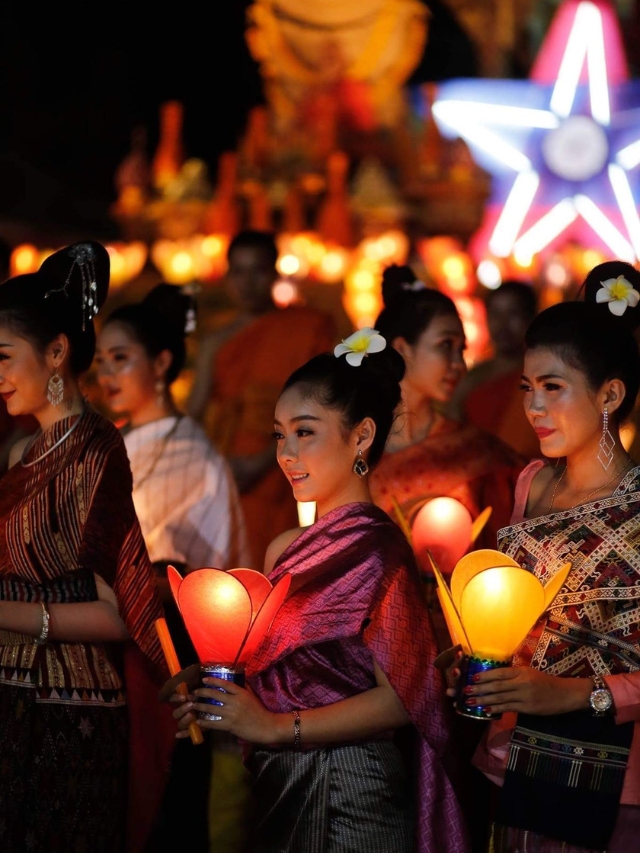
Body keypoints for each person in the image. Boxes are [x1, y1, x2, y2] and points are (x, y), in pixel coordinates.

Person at [171, 328, 471, 853]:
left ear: (360, 437)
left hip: (352, 787)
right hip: (277, 780)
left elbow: (403, 698)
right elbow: (280, 668)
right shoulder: (283, 549)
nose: (286, 453)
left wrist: (273, 727)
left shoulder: (379, 551)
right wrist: (210, 690)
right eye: (278, 435)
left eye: (304, 432)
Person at [448, 260, 640, 853]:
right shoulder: (531, 483)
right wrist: (474, 650)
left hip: (621, 779)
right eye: (528, 388)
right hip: (521, 758)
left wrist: (574, 694)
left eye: (553, 387)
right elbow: (515, 609)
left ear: (609, 393)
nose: (534, 407)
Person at [0, 241, 173, 853]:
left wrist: (8, 615)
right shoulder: (21, 453)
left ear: (55, 353)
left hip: (68, 708)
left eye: (3, 357)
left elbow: (116, 612)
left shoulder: (97, 451)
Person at [95, 282, 252, 853]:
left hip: (167, 650)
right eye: (101, 361)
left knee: (163, 801)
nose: (107, 374)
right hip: (106, 638)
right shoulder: (110, 441)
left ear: (161, 362)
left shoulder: (192, 454)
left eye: (122, 358)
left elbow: (200, 570)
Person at [187, 229, 336, 569]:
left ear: (274, 273)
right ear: (227, 277)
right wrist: (215, 467)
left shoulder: (305, 328)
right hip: (226, 471)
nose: (248, 282)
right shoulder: (217, 342)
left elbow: (318, 407)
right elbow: (194, 414)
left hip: (282, 465)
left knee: (273, 567)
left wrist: (265, 461)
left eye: (258, 270)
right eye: (239, 271)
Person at [369, 264, 526, 564]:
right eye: (446, 346)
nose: (459, 364)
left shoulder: (476, 450)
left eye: (462, 350)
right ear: (402, 349)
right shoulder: (358, 449)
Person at [447, 280, 539, 459]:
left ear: (531, 318)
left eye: (513, 314)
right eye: (495, 314)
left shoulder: (542, 378)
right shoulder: (473, 379)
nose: (502, 324)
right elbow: (452, 437)